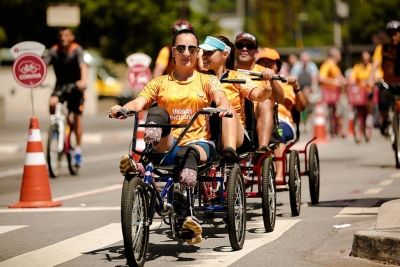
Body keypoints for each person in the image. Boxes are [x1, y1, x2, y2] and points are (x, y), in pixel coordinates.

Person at [110, 29, 239, 245]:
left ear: (197, 52)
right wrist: (123, 109)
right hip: (166, 145)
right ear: (173, 52)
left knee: (186, 152)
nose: (186, 53)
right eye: (181, 48)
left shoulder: (207, 81)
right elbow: (140, 102)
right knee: (157, 112)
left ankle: (183, 212)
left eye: (191, 48)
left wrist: (224, 107)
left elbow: (220, 96)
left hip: (198, 146)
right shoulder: (160, 83)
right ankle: (145, 167)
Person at [198, 35, 273, 153]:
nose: (204, 56)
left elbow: (259, 96)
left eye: (209, 52)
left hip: (236, 136)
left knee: (226, 107)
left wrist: (267, 89)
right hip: (206, 135)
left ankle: (229, 152)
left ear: (225, 54)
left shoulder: (237, 77)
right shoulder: (199, 79)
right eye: (203, 53)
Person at [257, 48, 307, 185]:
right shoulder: (253, 82)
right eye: (262, 62)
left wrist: (296, 88)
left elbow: (301, 107)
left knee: (278, 133)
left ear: (277, 66)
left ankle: (279, 174)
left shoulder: (287, 84)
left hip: (282, 121)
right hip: (260, 120)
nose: (266, 65)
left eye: (270, 63)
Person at [234, 33, 285, 152]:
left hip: (258, 118)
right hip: (234, 117)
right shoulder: (228, 71)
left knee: (265, 102)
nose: (244, 49)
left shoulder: (264, 72)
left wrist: (271, 79)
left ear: (256, 53)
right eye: (240, 45)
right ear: (234, 50)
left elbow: (281, 99)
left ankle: (262, 149)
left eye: (249, 46)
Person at [44, 27, 87, 166]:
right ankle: (56, 127)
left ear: (71, 37)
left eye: (66, 35)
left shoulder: (77, 50)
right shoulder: (54, 51)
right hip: (60, 87)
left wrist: (83, 82)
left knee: (77, 118)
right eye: (61, 35)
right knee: (52, 103)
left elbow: (83, 67)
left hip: (75, 87)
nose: (63, 38)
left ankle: (78, 149)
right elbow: (43, 65)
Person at [368, 20, 400, 136]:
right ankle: (385, 120)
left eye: (396, 33)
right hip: (388, 83)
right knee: (382, 102)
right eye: (391, 33)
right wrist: (371, 79)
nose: (394, 36)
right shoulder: (382, 48)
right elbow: (375, 64)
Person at [290, 51, 319, 139]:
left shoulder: (312, 66)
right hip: (300, 87)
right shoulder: (297, 66)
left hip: (309, 87)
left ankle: (308, 112)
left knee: (309, 96)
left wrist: (313, 88)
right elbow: (293, 78)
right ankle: (300, 118)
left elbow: (314, 78)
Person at [319, 47, 347, 137]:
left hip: (336, 93)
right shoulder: (327, 65)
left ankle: (339, 130)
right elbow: (321, 78)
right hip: (329, 93)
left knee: (339, 110)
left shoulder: (335, 66)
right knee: (334, 110)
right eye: (339, 55)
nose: (340, 57)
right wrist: (333, 82)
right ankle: (332, 130)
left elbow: (340, 77)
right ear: (334, 55)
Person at [349, 51, 377, 128]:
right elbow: (352, 78)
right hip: (359, 91)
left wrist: (369, 81)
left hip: (369, 90)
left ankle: (369, 116)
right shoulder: (357, 67)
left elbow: (377, 77)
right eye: (364, 59)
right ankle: (357, 118)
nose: (366, 61)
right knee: (356, 102)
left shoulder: (372, 67)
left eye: (367, 59)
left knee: (369, 100)